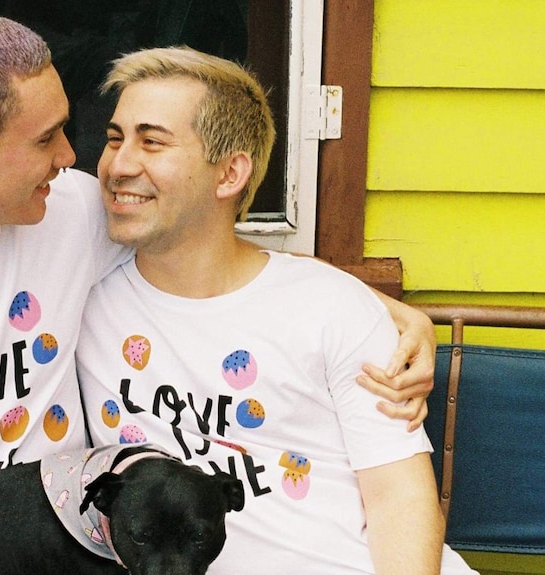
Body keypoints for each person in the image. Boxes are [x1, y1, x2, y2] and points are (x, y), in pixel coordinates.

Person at [0, 13, 433, 575]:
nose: (77, 158)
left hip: (73, 548)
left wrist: (385, 314)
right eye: (48, 138)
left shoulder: (68, 213)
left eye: (74, 130)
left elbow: (206, 240)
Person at [75, 47, 476, 573]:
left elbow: (398, 498)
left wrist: (393, 312)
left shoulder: (330, 306)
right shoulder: (85, 290)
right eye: (113, 138)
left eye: (152, 142)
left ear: (229, 174)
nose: (118, 165)